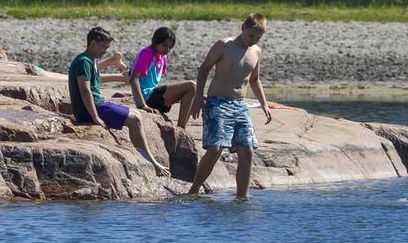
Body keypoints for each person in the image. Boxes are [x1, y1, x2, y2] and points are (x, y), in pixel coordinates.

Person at [186, 13, 273, 199]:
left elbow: (255, 80)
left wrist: (264, 104)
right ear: (243, 28)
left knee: (247, 151)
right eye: (251, 35)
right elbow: (204, 69)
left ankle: (243, 197)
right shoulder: (224, 45)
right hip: (218, 102)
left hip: (240, 105)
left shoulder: (256, 51)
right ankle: (193, 190)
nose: (253, 40)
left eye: (258, 38)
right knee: (216, 148)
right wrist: (198, 97)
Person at [68, 26, 170, 177]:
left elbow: (96, 82)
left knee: (136, 114)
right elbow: (85, 90)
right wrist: (95, 117)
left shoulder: (91, 60)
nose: (105, 51)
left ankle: (148, 159)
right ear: (93, 43)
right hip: (90, 109)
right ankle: (151, 162)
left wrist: (120, 78)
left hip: (98, 104)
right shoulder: (84, 61)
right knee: (134, 119)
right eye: (104, 47)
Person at [128, 26, 197, 128]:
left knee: (193, 90)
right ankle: (181, 127)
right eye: (164, 45)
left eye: (170, 47)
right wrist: (143, 105)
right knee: (191, 86)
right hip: (147, 99)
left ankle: (181, 128)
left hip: (155, 97)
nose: (167, 49)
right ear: (155, 41)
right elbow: (133, 79)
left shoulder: (162, 56)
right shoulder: (147, 53)